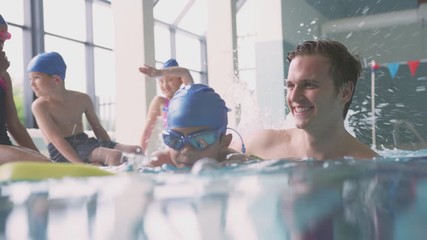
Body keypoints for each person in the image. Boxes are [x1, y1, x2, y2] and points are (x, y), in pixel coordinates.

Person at [243, 39, 378, 160]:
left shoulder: (372, 168)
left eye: (308, 85)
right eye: (290, 85)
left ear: (345, 92)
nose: (294, 96)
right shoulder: (263, 145)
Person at [27, 51, 141, 166]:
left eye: (36, 77)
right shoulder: (40, 106)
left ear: (56, 79)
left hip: (85, 143)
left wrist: (108, 146)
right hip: (62, 151)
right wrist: (81, 165)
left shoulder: (82, 99)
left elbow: (99, 130)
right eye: (30, 79)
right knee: (114, 156)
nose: (31, 83)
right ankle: (115, 182)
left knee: (135, 151)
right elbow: (56, 139)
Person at [146, 84, 245, 168]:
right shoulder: (159, 162)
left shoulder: (236, 163)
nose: (186, 150)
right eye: (175, 140)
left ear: (224, 143)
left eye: (200, 142)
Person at [0, 14, 50, 163]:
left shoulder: (5, 77)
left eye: (2, 39)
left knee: (43, 162)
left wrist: (40, 157)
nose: (1, 45)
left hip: (4, 146)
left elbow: (14, 124)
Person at [138, 59, 194, 154]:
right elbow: (147, 130)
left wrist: (158, 73)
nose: (165, 85)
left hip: (191, 147)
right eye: (161, 81)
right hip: (172, 149)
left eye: (170, 80)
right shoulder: (160, 102)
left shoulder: (188, 96)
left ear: (180, 80)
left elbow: (185, 72)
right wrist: (140, 154)